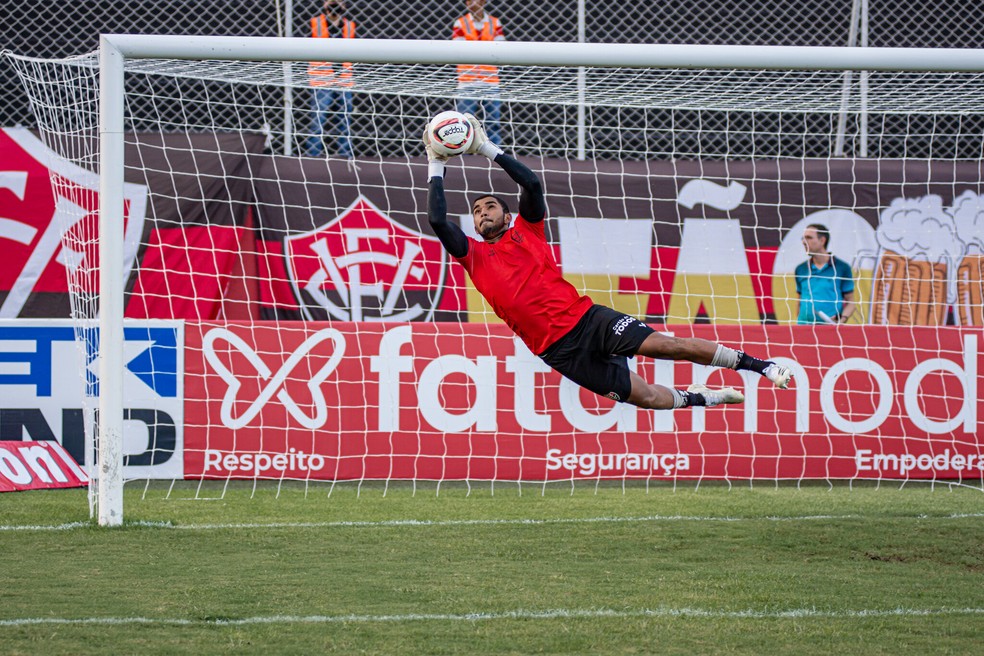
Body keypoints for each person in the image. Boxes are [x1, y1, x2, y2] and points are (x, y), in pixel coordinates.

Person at [424, 116, 793, 410]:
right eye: (476, 210)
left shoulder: (528, 229)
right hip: (558, 352)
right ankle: (704, 397)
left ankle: (761, 366)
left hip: (588, 320)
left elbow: (532, 184)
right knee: (646, 398)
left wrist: (486, 147)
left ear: (507, 216)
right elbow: (439, 221)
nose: (482, 212)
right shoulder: (472, 255)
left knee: (665, 345)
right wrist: (435, 164)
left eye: (490, 206)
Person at [307, 0, 356, 158]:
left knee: (345, 120)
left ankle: (345, 154)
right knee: (318, 120)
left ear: (344, 6)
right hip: (322, 78)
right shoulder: (315, 23)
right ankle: (314, 154)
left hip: (343, 78)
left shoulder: (349, 25)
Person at [451, 0, 504, 146]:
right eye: (469, 1)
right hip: (467, 79)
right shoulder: (460, 23)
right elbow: (458, 48)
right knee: (464, 123)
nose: (472, 3)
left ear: (483, 2)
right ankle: (463, 151)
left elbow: (501, 47)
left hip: (490, 80)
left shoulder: (495, 23)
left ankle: (496, 152)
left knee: (493, 122)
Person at [795, 224, 857, 324]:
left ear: (822, 240)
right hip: (804, 329)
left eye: (809, 238)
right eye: (803, 238)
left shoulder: (842, 268)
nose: (803, 242)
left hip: (829, 329)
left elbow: (851, 303)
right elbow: (799, 301)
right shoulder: (800, 269)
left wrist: (840, 320)